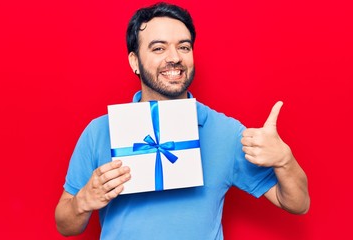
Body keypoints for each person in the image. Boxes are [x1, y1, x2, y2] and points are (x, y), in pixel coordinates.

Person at [55, 2, 310, 239]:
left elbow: (297, 204)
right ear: (135, 61)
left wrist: (285, 161)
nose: (174, 57)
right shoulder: (100, 131)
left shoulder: (226, 132)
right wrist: (83, 201)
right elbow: (65, 226)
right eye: (158, 48)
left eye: (184, 47)